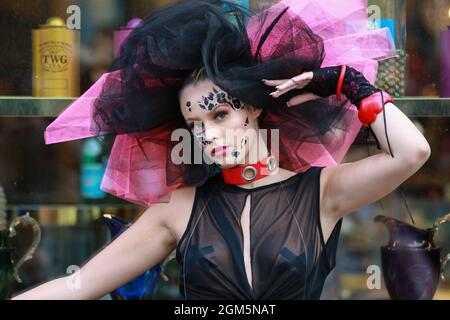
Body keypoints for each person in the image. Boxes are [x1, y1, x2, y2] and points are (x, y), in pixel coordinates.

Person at [12, 0, 430, 300]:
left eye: (219, 116)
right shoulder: (178, 208)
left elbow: (412, 153)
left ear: (251, 110)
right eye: (194, 124)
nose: (206, 134)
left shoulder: (322, 192)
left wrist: (346, 82)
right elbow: (76, 286)